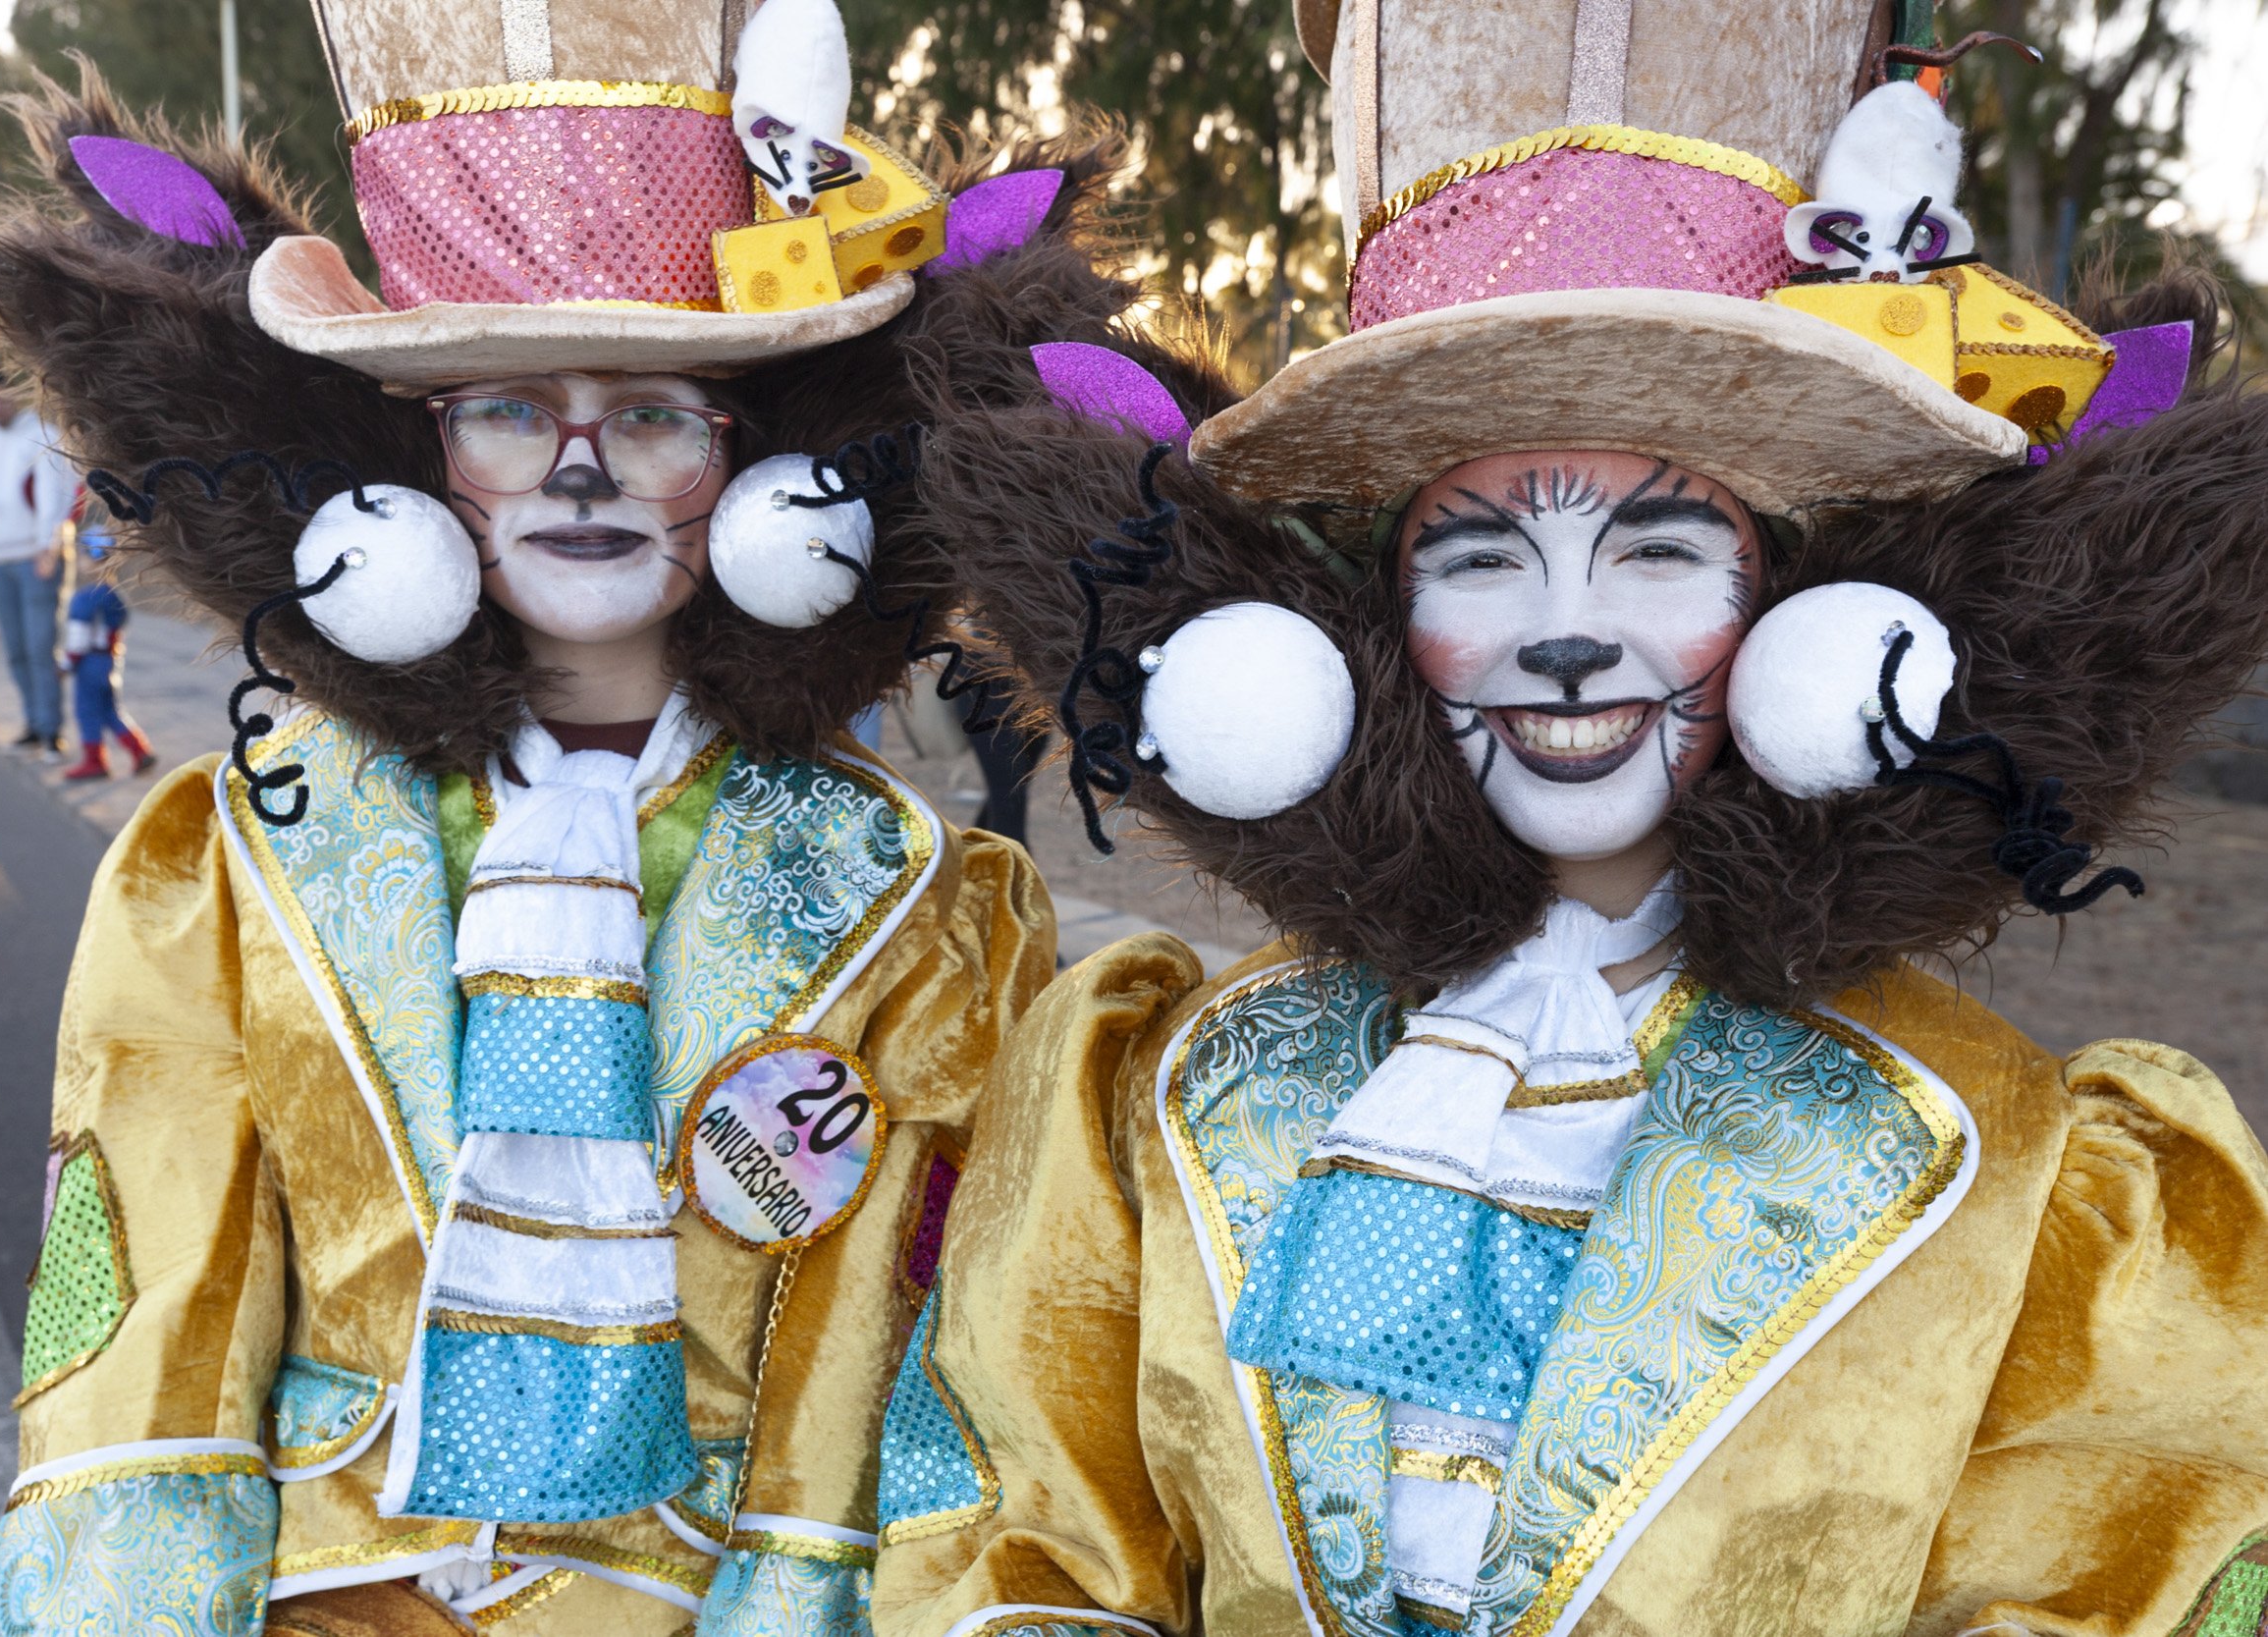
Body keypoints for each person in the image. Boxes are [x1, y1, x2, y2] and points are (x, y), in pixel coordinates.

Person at [870, 2, 2268, 1633]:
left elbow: (2123, 1574)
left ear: (1796, 615)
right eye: (1479, 558)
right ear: (1380, 624)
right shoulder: (1151, 1096)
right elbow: (1012, 1538)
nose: (1564, 631)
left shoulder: (2022, 1162)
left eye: (1661, 552)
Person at [0, 4, 1063, 1632]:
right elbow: (131, 1360)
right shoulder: (228, 858)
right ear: (418, 458)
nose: (583, 470)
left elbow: (921, 1371)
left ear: (754, 471)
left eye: (660, 413)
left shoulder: (934, 905)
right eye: (508, 409)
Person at [0, 371, 77, 756]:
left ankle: (51, 728)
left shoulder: (41, 435)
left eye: (1, 396)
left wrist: (48, 547)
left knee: (41, 646)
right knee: (15, 649)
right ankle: (32, 721)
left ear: (14, 395)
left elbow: (58, 496)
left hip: (34, 557)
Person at [57, 512, 153, 781]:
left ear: (92, 559)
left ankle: (94, 761)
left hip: (89, 663)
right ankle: (139, 750)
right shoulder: (115, 596)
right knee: (110, 710)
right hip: (110, 661)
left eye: (84, 554)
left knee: (87, 711)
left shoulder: (85, 598)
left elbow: (78, 639)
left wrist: (66, 664)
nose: (81, 560)